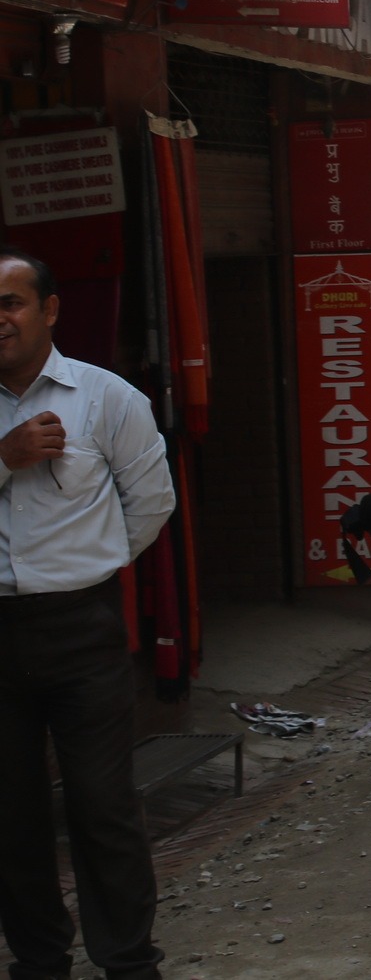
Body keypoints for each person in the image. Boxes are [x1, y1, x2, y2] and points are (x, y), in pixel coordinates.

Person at [0, 247, 176, 980]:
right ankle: (40, 960)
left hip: (84, 626)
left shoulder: (106, 398)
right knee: (11, 815)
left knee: (103, 805)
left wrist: (93, 564)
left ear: (49, 309)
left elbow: (152, 502)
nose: (0, 319)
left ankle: (128, 960)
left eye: (12, 301)